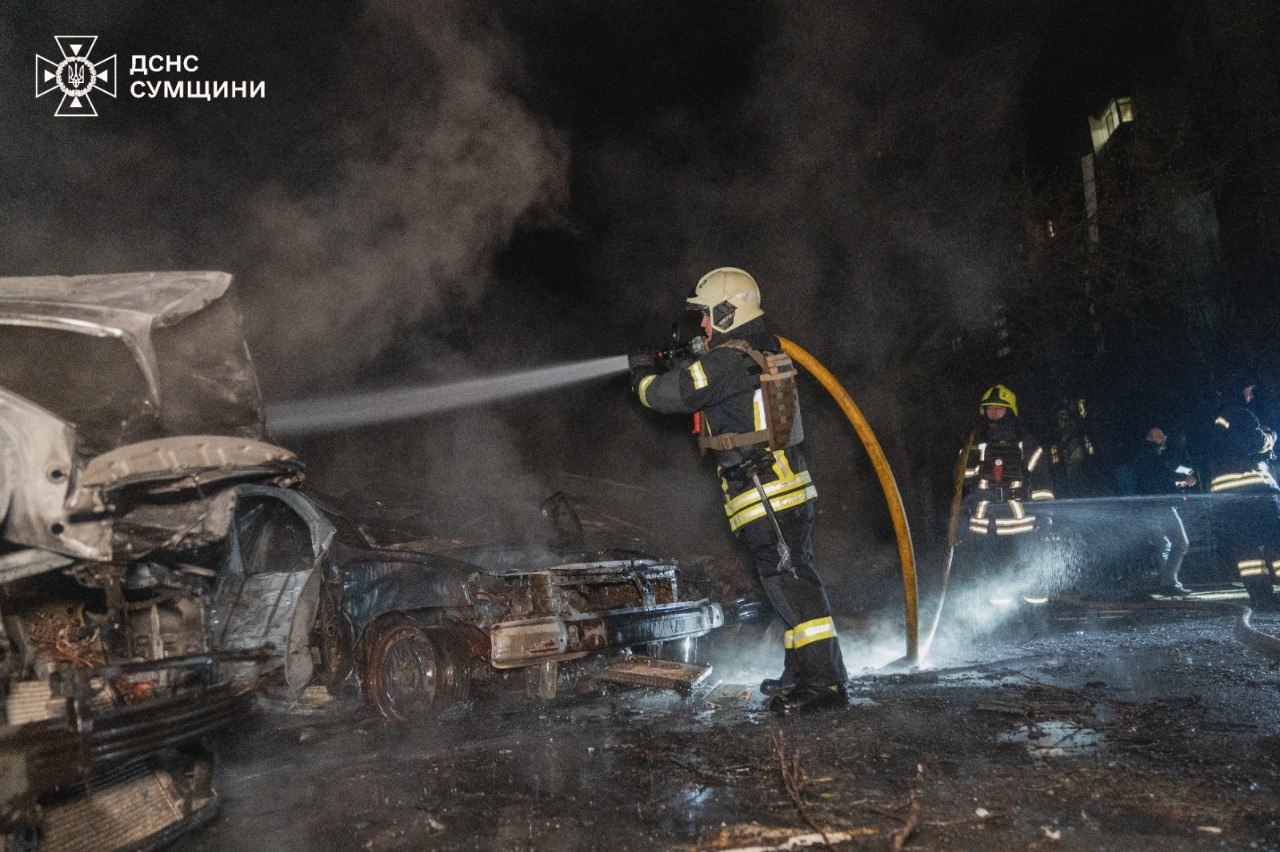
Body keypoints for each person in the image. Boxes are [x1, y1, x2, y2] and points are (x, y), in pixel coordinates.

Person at [628, 267, 847, 716]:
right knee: (786, 583)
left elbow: (671, 395)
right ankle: (800, 673)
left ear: (729, 313)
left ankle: (825, 683)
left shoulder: (727, 362)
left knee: (793, 585)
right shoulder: (756, 348)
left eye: (708, 315)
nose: (703, 324)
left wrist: (642, 374)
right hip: (779, 489)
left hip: (770, 495)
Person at [956, 385, 1055, 601]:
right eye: (990, 408)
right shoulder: (974, 442)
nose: (993, 412)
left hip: (1021, 521)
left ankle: (1037, 614)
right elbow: (963, 481)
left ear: (1009, 411)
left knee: (1030, 572)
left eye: (999, 408)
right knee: (994, 577)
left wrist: (1045, 515)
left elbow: (1041, 480)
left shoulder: (1025, 442)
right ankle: (1002, 616)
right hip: (985, 521)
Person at [1206, 373, 1280, 608]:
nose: (1251, 394)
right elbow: (1255, 443)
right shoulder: (1241, 413)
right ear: (1239, 390)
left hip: (1228, 495)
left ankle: (1261, 597)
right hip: (1253, 488)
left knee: (1246, 547)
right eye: (1248, 389)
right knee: (1275, 538)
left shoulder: (1219, 419)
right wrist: (1270, 437)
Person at [1121, 426, 1194, 596]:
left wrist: (1177, 484)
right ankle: (1167, 582)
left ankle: (1169, 584)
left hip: (1149, 506)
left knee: (1164, 546)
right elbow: (1160, 474)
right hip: (1160, 506)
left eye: (1163, 434)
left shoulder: (1147, 456)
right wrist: (1183, 478)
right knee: (1181, 542)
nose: (1163, 437)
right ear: (1149, 438)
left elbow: (1155, 479)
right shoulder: (1151, 454)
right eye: (1158, 435)